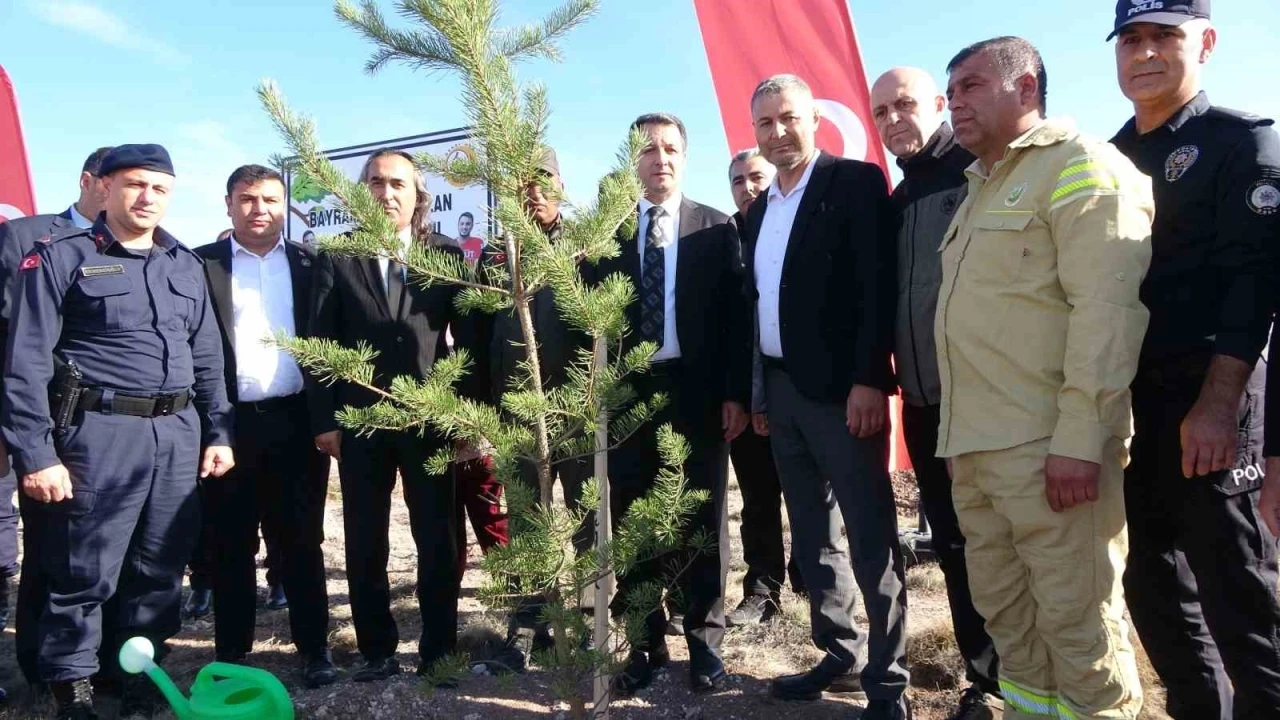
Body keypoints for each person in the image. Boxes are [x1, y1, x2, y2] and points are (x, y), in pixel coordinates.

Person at [939, 37, 1152, 719]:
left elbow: (1107, 312)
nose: (955, 103)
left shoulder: (1080, 164)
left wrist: (1080, 439)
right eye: (951, 92)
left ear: (1025, 88)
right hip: (977, 450)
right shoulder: (978, 189)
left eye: (971, 86)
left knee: (1079, 629)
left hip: (1050, 448)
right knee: (1014, 629)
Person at [1, 144, 235, 719]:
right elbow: (25, 362)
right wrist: (35, 453)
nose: (147, 197)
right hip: (98, 433)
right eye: (134, 184)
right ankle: (72, 689)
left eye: (159, 188)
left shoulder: (183, 261)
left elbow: (206, 357)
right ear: (103, 188)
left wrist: (219, 432)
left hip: (177, 435)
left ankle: (137, 677)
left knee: (159, 566)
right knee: (84, 568)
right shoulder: (59, 256)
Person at [1107, 3, 1280, 717]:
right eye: (1132, 39)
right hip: (1128, 409)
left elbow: (1256, 283)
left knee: (1237, 594)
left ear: (1204, 43)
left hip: (1209, 399)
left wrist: (1216, 406)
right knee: (1152, 590)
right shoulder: (1107, 154)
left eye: (1164, 37)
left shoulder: (1241, 142)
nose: (1145, 53)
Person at [741, 74, 907, 720]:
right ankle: (838, 652)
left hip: (845, 395)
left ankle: (888, 682)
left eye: (788, 118)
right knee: (813, 534)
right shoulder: (759, 212)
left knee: (870, 536)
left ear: (814, 119)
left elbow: (876, 287)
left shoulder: (854, 183)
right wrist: (760, 393)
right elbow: (760, 309)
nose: (778, 133)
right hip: (781, 395)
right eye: (765, 124)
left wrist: (871, 378)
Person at [307, 148, 480, 684]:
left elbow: (468, 345)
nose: (386, 194)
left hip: (430, 425)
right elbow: (318, 344)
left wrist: (467, 419)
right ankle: (377, 649)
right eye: (376, 183)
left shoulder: (446, 255)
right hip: (361, 428)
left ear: (417, 195)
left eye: (398, 184)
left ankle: (439, 650)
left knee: (438, 540)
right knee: (364, 539)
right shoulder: (336, 257)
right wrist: (325, 421)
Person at [870, 67, 1003, 719]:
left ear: (939, 105)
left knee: (1000, 547)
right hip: (923, 407)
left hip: (986, 406)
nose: (894, 118)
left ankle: (1025, 683)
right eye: (882, 111)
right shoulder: (897, 199)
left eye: (905, 104)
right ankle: (987, 681)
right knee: (953, 546)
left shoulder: (982, 169)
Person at [603, 113, 749, 696]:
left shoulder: (715, 229)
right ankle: (643, 641)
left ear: (684, 157)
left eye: (669, 148)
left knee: (701, 520)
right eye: (646, 149)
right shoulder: (608, 237)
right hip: (630, 397)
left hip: (698, 394)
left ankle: (704, 644)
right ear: (630, 161)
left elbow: (738, 321)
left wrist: (736, 394)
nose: (658, 158)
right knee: (635, 519)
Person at [193, 164, 336, 687]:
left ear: (285, 205)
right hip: (227, 428)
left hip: (298, 425)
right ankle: (232, 656)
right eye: (247, 198)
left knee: (301, 542)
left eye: (271, 199)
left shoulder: (310, 263)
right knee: (230, 545)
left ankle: (314, 649)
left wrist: (328, 420)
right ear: (228, 204)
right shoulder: (198, 265)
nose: (260, 209)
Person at [0, 146, 113, 688]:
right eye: (111, 182)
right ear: (88, 182)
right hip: (45, 425)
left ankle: (100, 666)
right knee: (49, 552)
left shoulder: (145, 248)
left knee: (103, 554)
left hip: (107, 430)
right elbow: (12, 338)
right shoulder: (28, 237)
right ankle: (38, 670)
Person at [483, 147, 596, 672]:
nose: (533, 190)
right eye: (521, 181)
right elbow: (479, 337)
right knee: (527, 526)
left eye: (543, 179)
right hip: (516, 418)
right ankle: (529, 630)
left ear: (561, 184)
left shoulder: (587, 246)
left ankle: (594, 631)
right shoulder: (493, 255)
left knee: (589, 523)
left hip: (576, 415)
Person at [723, 148, 806, 627]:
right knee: (757, 496)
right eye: (738, 181)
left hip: (796, 388)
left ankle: (811, 580)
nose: (748, 187)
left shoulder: (793, 223)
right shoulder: (724, 235)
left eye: (756, 177)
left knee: (809, 494)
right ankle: (762, 589)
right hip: (745, 389)